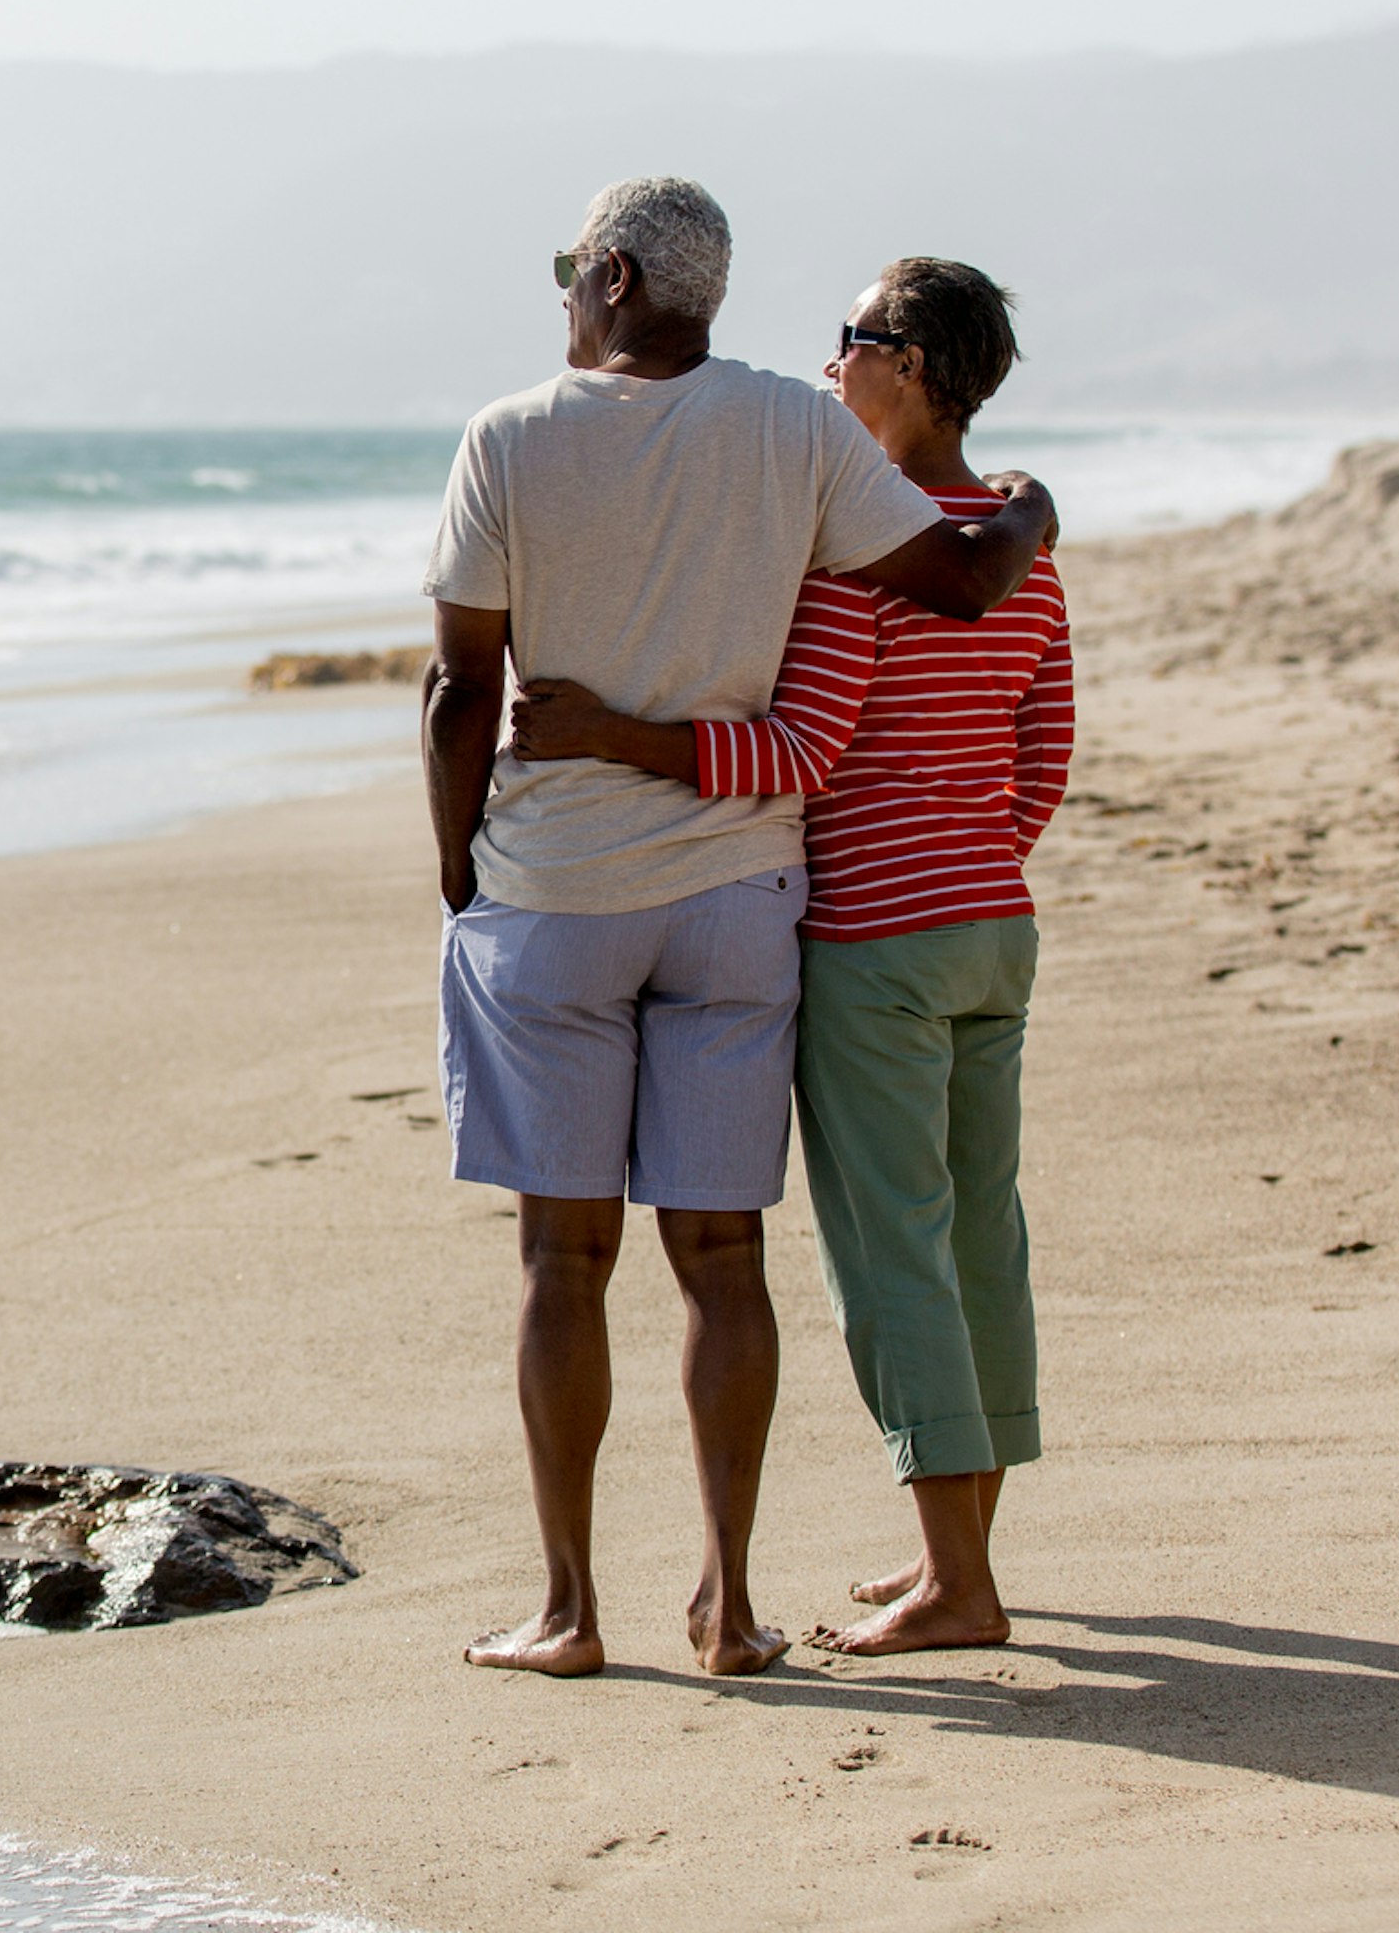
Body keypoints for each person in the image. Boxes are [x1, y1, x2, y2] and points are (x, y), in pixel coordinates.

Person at [424, 184, 1056, 1680]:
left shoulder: (509, 436)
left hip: (558, 891)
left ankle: (572, 1613)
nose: (566, 293)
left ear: (615, 277)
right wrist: (1029, 506)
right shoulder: (795, 425)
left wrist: (459, 869)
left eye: (573, 271)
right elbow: (968, 584)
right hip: (740, 899)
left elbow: (460, 689)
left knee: (560, 1261)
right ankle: (729, 1607)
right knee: (723, 1258)